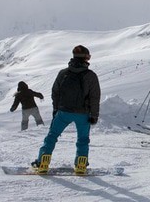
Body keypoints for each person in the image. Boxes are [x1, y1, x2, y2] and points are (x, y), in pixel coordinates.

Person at [32, 45, 101, 174]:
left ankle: (43, 163)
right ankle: (80, 165)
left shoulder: (63, 73)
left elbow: (55, 92)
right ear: (86, 58)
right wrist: (94, 115)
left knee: (52, 136)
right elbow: (94, 97)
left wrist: (56, 109)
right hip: (83, 114)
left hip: (63, 112)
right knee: (83, 139)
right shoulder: (90, 76)